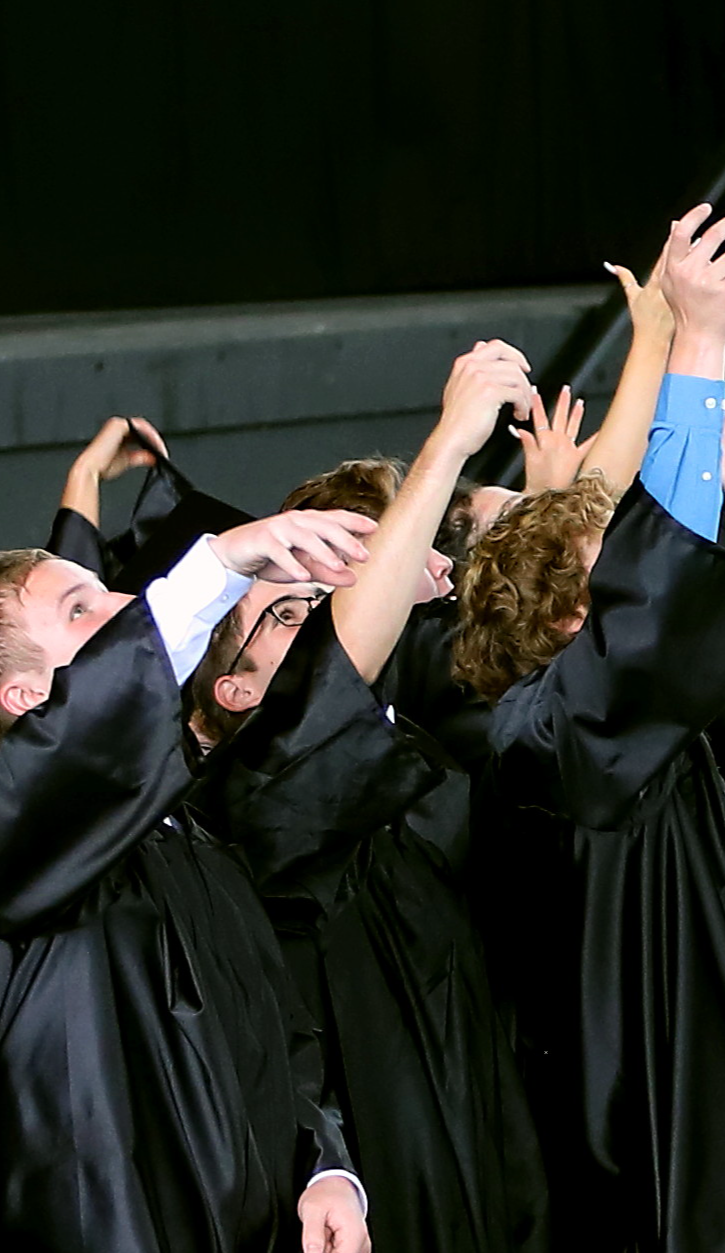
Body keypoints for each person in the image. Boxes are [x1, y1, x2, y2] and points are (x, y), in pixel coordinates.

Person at [451, 206, 725, 1253]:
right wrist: (696, 345)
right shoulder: (545, 734)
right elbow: (659, 595)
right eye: (623, 557)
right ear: (571, 614)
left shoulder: (594, 716)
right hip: (653, 1125)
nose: (661, 551)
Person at [0, 480, 380, 1253]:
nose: (130, 603)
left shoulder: (184, 834)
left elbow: (276, 1031)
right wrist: (219, 562)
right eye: (81, 608)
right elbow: (75, 749)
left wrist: (323, 1168)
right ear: (30, 697)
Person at [204, 341, 552, 1253]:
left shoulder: (420, 758)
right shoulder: (237, 800)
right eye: (284, 614)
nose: (317, 620)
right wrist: (450, 440)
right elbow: (333, 676)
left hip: (489, 1127)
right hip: (371, 1158)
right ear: (229, 686)